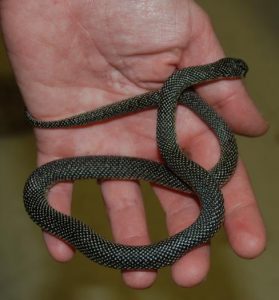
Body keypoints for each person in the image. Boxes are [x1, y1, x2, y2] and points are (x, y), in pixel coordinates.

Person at [0, 0, 267, 289]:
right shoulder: (179, 84)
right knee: (197, 173)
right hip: (179, 118)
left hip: (182, 121)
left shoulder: (181, 84)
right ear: (222, 72)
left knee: (201, 176)